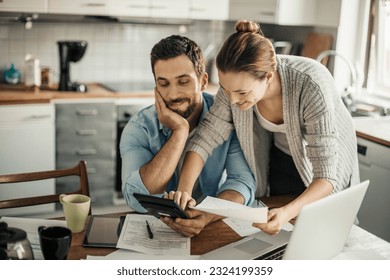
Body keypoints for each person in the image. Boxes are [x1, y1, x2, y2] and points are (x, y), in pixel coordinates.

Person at [174, 20, 360, 235]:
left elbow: (326, 177)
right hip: (282, 158)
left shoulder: (311, 84)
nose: (232, 100)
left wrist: (285, 212)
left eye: (242, 93)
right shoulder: (235, 86)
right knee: (284, 236)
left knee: (323, 231)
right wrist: (184, 192)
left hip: (325, 168)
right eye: (226, 90)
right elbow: (206, 138)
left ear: (268, 77)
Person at [119, 34, 256, 237]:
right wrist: (179, 132)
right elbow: (136, 198)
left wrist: (208, 215)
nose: (173, 94)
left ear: (203, 82)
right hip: (159, 232)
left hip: (213, 225)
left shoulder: (227, 118)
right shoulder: (139, 127)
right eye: (164, 84)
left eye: (183, 82)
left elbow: (241, 183)